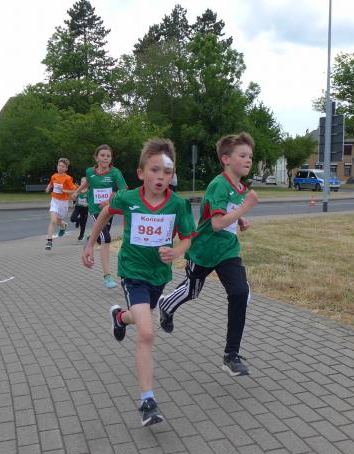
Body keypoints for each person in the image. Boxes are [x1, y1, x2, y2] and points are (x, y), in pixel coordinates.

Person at [82, 138, 196, 426]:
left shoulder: (178, 204)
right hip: (132, 272)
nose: (160, 177)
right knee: (146, 332)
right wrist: (90, 244)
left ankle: (120, 317)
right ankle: (147, 401)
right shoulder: (128, 198)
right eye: (154, 170)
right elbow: (105, 212)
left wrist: (177, 252)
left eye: (167, 172)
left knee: (140, 315)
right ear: (141, 172)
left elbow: (188, 238)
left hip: (159, 275)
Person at [157, 132, 259, 377]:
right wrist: (246, 208)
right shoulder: (218, 184)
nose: (248, 160)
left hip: (228, 250)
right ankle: (166, 305)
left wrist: (241, 219)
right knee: (192, 291)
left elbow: (228, 210)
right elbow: (216, 223)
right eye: (242, 155)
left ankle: (231, 355)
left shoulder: (240, 187)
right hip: (204, 249)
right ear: (226, 159)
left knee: (239, 292)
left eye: (250, 156)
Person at [73, 145, 128, 288]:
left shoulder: (115, 172)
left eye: (108, 156)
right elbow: (88, 181)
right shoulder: (90, 171)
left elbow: (124, 190)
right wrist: (77, 191)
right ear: (96, 157)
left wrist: (109, 201)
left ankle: (90, 238)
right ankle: (107, 276)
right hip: (95, 209)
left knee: (101, 237)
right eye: (102, 155)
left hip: (109, 210)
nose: (105, 158)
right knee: (106, 238)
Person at [44, 158, 77, 250]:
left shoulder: (68, 178)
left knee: (58, 221)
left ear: (66, 168)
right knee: (53, 221)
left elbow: (74, 190)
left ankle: (63, 226)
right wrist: (48, 188)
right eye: (59, 165)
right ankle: (49, 241)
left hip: (63, 203)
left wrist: (64, 191)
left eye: (63, 166)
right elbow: (51, 184)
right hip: (54, 200)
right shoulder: (54, 176)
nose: (60, 167)